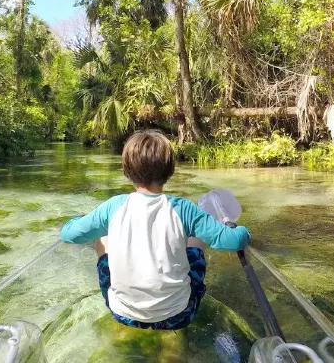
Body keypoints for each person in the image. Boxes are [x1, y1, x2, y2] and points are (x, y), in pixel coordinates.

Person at [59, 130, 251, 330]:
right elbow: (235, 240)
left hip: (123, 314)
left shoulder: (113, 207)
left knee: (103, 237)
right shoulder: (183, 209)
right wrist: (244, 232)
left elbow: (69, 234)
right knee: (195, 239)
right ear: (170, 171)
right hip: (179, 315)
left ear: (127, 172)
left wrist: (79, 220)